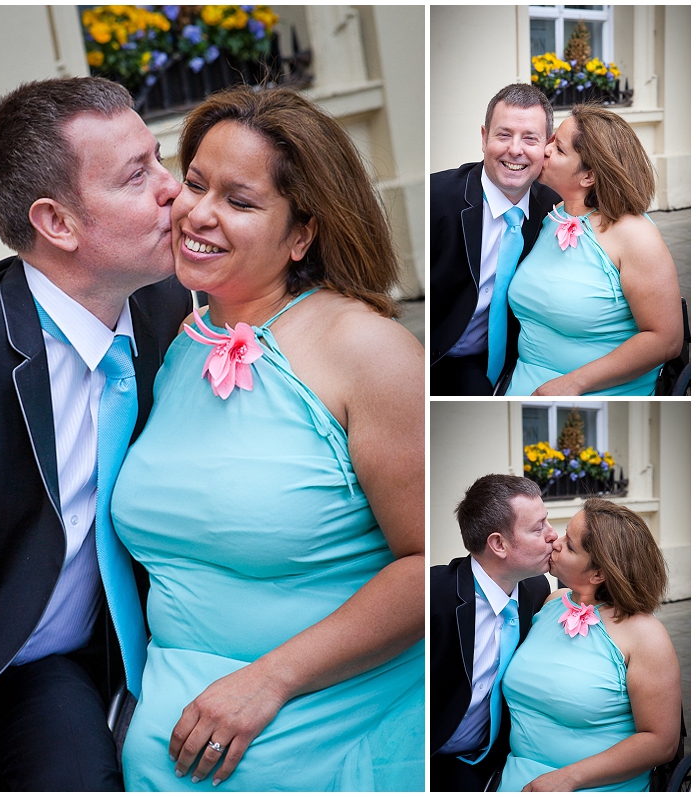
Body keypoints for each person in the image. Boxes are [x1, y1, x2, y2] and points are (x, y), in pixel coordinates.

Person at [110, 85, 425, 791]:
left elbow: (426, 564)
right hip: (168, 750)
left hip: (331, 732)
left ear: (302, 233)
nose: (198, 212)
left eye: (240, 201)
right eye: (195, 183)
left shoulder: (371, 353)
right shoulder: (182, 344)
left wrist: (269, 679)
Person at [0, 77, 192, 791]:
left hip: (50, 672)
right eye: (136, 176)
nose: (173, 189)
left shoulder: (178, 311)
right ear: (57, 223)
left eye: (159, 159)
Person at [498, 498, 681, 791]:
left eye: (570, 545)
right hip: (517, 777)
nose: (555, 542)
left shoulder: (646, 636)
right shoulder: (551, 603)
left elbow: (661, 743)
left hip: (597, 785)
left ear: (599, 574)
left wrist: (568, 778)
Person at [505, 104, 682, 396]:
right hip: (525, 380)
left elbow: (666, 340)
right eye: (552, 140)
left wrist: (573, 383)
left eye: (559, 149)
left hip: (601, 390)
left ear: (588, 176)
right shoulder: (551, 216)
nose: (545, 150)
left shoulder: (636, 236)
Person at [430, 83, 561, 396]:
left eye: (529, 138)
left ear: (547, 145)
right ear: (484, 137)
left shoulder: (554, 207)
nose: (515, 149)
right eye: (504, 135)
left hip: (506, 361)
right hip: (438, 357)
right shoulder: (437, 198)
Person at [431, 474, 556, 791]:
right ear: (499, 544)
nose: (553, 535)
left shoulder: (537, 588)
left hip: (494, 759)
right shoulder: (433, 596)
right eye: (538, 528)